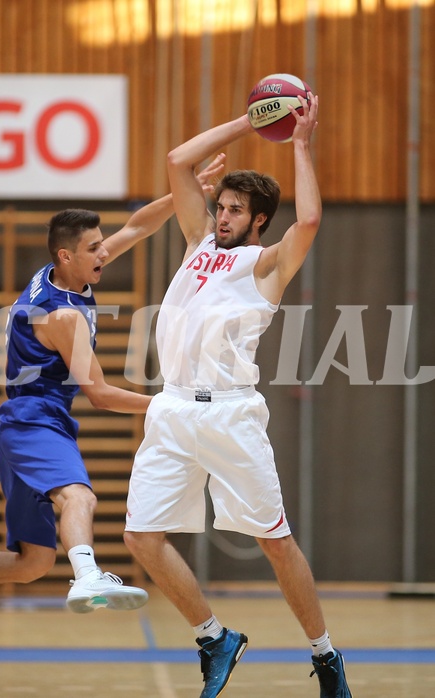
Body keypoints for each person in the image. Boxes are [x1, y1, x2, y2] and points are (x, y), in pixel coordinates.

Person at [0, 158, 224, 650]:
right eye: (95, 248)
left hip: (19, 424)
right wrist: (172, 404)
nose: (104, 252)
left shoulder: (61, 274)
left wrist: (187, 195)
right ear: (67, 255)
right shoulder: (64, 317)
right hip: (35, 421)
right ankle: (89, 576)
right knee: (81, 498)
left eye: (101, 244)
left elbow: (138, 226)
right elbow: (99, 394)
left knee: (34, 562)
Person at [124, 94, 353, 698]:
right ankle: (214, 638)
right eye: (219, 205)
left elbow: (308, 222)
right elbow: (178, 161)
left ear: (256, 221)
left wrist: (298, 142)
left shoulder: (265, 265)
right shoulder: (199, 242)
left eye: (233, 210)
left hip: (230, 413)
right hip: (171, 408)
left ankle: (326, 657)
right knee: (140, 538)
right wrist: (250, 122)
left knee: (275, 544)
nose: (220, 215)